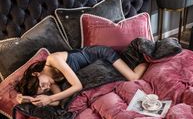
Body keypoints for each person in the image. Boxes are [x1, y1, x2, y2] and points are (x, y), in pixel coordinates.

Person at [16, 46, 149, 107]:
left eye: (41, 84)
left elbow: (77, 86)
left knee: (133, 78)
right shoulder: (53, 82)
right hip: (97, 66)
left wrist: (49, 98)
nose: (47, 87)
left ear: (36, 74)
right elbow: (58, 101)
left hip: (100, 54)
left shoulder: (53, 59)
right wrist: (30, 100)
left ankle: (148, 58)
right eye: (44, 90)